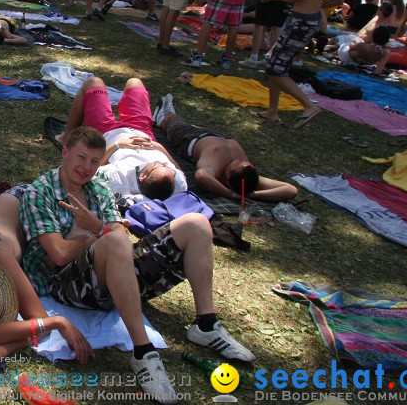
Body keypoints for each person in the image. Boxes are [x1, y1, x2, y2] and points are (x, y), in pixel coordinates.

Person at [19, 126, 255, 405]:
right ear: (66, 152)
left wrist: (93, 229)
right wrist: (97, 235)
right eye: (81, 158)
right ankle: (144, 352)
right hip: (64, 283)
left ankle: (206, 323)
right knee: (114, 242)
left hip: (111, 271)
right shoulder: (40, 193)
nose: (86, 168)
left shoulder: (98, 188)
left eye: (95, 161)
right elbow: (58, 255)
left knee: (197, 224)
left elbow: (116, 232)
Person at [0, 187, 93, 370]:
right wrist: (1, 349)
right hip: (25, 236)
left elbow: (39, 322)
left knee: (81, 236)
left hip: (28, 199)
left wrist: (57, 323)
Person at [254, 0, 345, 127]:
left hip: (301, 19)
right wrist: (317, 3)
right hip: (312, 19)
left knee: (273, 65)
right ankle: (272, 110)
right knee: (276, 62)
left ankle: (308, 105)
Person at [54, 76, 187, 199]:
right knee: (135, 82)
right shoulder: (175, 182)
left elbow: (91, 170)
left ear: (142, 176)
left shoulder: (120, 177)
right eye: (167, 166)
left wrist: (118, 144)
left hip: (106, 132)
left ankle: (66, 137)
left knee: (93, 83)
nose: (164, 163)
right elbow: (181, 173)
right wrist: (159, 147)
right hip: (142, 131)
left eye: (158, 165)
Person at [154, 97, 298, 201]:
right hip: (218, 136)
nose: (240, 159)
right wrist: (247, 195)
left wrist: (234, 195)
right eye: (245, 163)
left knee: (173, 123)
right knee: (189, 125)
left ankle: (163, 115)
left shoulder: (217, 168)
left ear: (227, 175)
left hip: (191, 139)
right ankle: (167, 116)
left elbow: (201, 177)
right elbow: (291, 188)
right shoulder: (248, 175)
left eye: (237, 163)